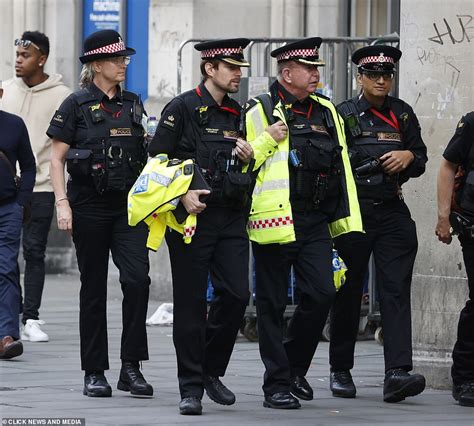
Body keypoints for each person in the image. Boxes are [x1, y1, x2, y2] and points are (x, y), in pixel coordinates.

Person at [243, 37, 362, 409]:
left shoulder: (326, 111)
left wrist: (348, 222)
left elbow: (342, 168)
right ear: (287, 72)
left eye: (316, 69)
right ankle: (275, 384)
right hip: (275, 220)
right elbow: (244, 164)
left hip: (314, 221)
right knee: (272, 305)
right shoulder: (260, 109)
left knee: (323, 293)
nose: (315, 75)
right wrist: (267, 139)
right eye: (309, 69)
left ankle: (294, 367)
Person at [148, 38, 253, 415]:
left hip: (230, 216)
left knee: (238, 294)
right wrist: (180, 197)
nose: (239, 73)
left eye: (240, 67)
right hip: (191, 219)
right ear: (210, 68)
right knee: (191, 304)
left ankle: (211, 369)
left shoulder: (236, 112)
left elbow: (236, 165)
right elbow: (157, 160)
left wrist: (248, 156)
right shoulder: (182, 107)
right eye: (232, 67)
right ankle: (190, 387)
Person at [47, 30, 152, 398]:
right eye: (116, 59)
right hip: (88, 206)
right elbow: (56, 160)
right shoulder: (74, 105)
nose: (123, 63)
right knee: (93, 289)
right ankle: (95, 371)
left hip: (128, 208)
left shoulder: (134, 104)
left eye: (125, 58)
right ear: (96, 65)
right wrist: (62, 204)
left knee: (137, 281)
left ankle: (131, 367)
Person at [329, 45, 428, 403]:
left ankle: (397, 373)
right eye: (373, 75)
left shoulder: (402, 114)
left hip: (391, 209)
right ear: (360, 78)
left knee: (396, 291)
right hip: (355, 212)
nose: (382, 80)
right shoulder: (344, 113)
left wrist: (409, 156)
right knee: (348, 291)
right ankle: (340, 368)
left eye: (387, 75)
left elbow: (422, 158)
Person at [2, 31, 71, 343]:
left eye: (25, 56)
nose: (18, 61)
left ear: (41, 58)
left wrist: (61, 197)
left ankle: (31, 317)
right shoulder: (6, 90)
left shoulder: (62, 96)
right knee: (7, 257)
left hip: (41, 184)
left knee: (34, 251)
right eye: (17, 55)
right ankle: (10, 318)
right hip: (6, 188)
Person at [435, 112, 474, 407]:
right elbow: (448, 166)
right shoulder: (472, 123)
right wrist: (443, 217)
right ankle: (465, 377)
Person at [0, 80, 36, 359]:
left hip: (7, 208)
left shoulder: (14, 124)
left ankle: (6, 335)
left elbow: (29, 165)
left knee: (6, 268)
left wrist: (21, 201)